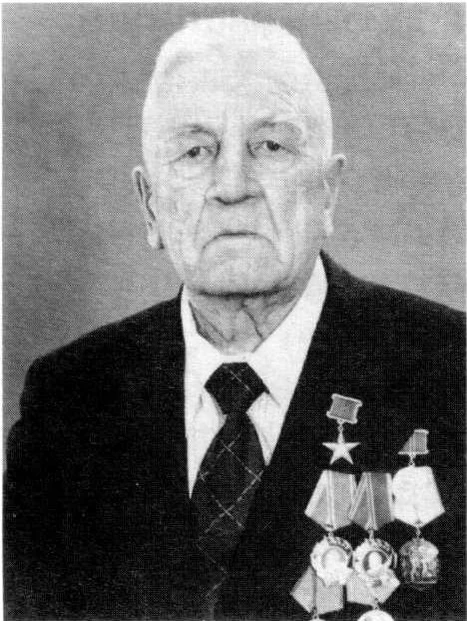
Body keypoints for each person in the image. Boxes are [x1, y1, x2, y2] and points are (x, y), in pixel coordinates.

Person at [5, 17, 464, 621]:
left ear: (328, 192)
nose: (232, 186)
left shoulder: (451, 370)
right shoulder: (68, 401)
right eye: (195, 151)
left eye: (270, 146)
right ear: (149, 205)